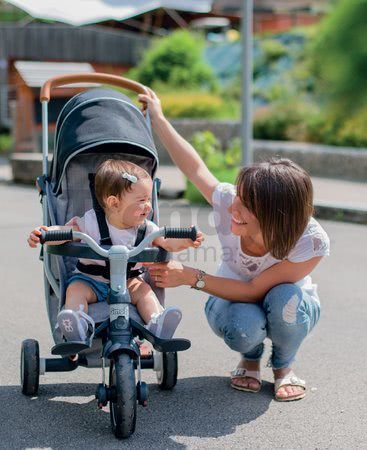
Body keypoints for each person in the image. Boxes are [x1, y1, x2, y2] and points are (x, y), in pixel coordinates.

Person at [138, 89, 330, 402]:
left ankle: (283, 367)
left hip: (289, 306)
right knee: (244, 326)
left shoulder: (311, 241)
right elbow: (195, 168)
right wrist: (158, 117)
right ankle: (250, 358)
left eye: (245, 206)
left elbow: (256, 288)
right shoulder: (230, 201)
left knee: (285, 298)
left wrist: (190, 276)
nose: (232, 209)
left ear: (276, 215)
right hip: (231, 302)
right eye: (237, 197)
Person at [28, 159, 203, 343]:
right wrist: (47, 233)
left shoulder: (146, 229)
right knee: (75, 290)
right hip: (91, 281)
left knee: (144, 291)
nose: (148, 206)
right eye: (142, 200)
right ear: (114, 202)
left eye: (149, 199)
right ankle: (77, 324)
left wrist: (186, 241)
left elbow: (167, 242)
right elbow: (67, 232)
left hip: (129, 281)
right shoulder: (90, 223)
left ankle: (156, 322)